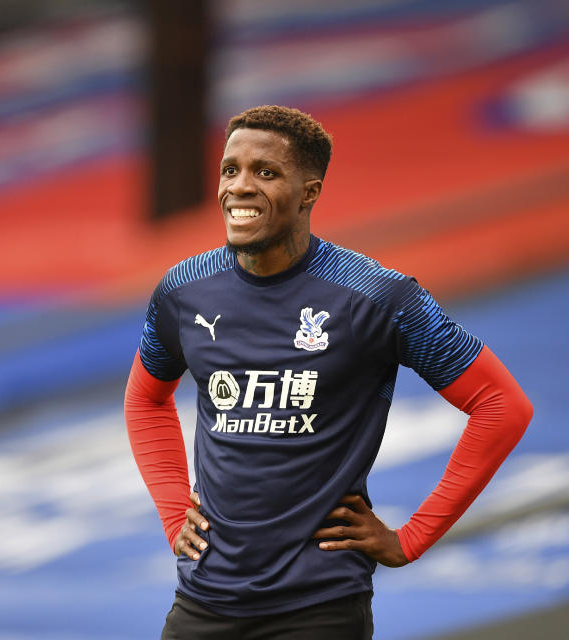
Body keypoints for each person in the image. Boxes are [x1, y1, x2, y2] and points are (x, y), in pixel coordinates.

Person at [124, 105, 533, 639]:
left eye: (265, 172)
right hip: (203, 601)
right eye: (231, 170)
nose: (240, 187)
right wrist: (174, 511)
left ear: (309, 193)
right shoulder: (183, 291)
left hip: (319, 609)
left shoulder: (380, 297)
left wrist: (411, 538)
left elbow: (502, 405)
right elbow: (146, 400)